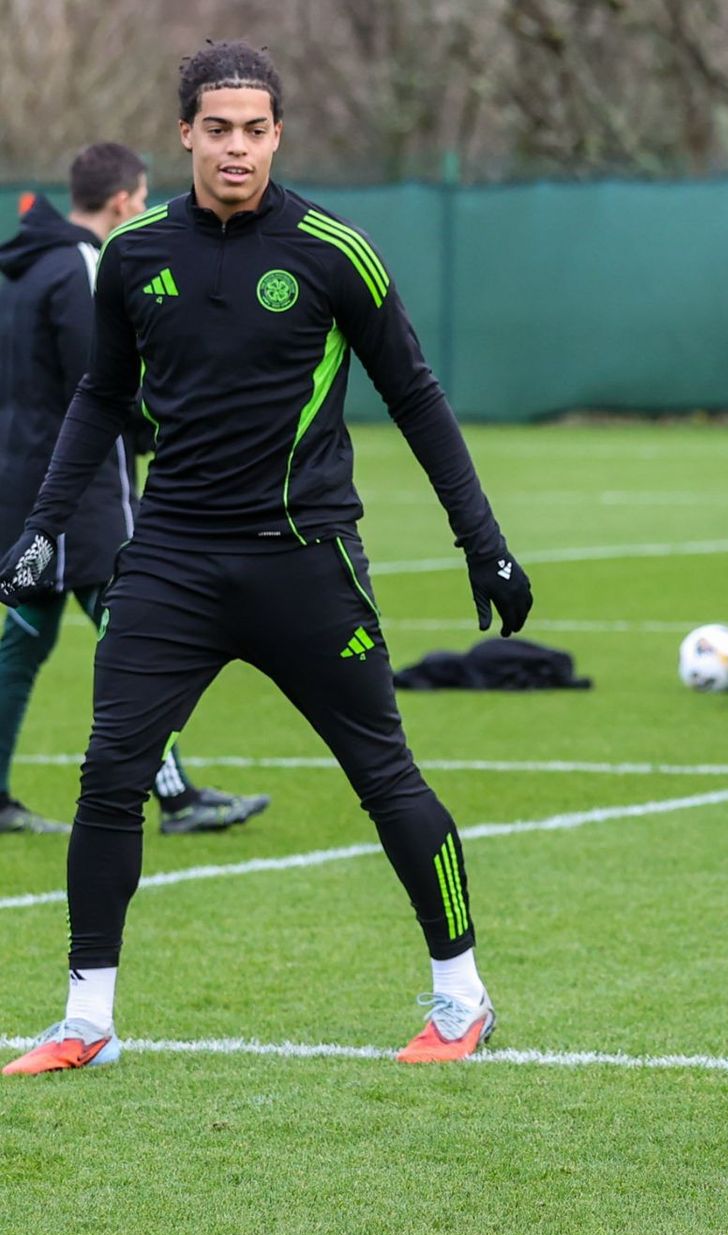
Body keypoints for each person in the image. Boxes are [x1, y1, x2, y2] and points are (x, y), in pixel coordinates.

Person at [0, 41, 533, 1075]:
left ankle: (462, 997)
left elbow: (416, 396)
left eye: (254, 129)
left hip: (305, 562)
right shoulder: (136, 254)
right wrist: (42, 525)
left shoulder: (335, 251)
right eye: (217, 129)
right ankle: (87, 1020)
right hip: (170, 563)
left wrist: (486, 545)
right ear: (185, 135)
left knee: (384, 775)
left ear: (278, 135)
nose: (235, 147)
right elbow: (101, 395)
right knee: (110, 775)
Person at [0, 145, 268, 835]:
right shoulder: (83, 265)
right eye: (143, 198)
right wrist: (166, 428)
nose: (146, 210)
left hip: (28, 486)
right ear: (121, 201)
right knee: (139, 638)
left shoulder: (24, 268)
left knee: (24, 644)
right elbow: (105, 384)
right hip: (84, 498)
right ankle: (176, 798)